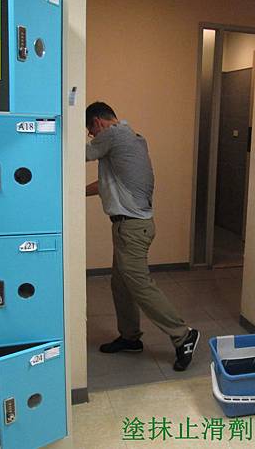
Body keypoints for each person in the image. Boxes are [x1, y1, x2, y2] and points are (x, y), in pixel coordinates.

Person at [85, 101, 199, 371]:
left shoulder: (113, 135)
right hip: (131, 226)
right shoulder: (133, 138)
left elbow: (78, 153)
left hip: (132, 228)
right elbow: (108, 184)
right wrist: (74, 192)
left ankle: (183, 334)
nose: (92, 136)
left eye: (90, 130)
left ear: (98, 122)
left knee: (140, 285)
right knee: (121, 284)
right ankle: (130, 337)